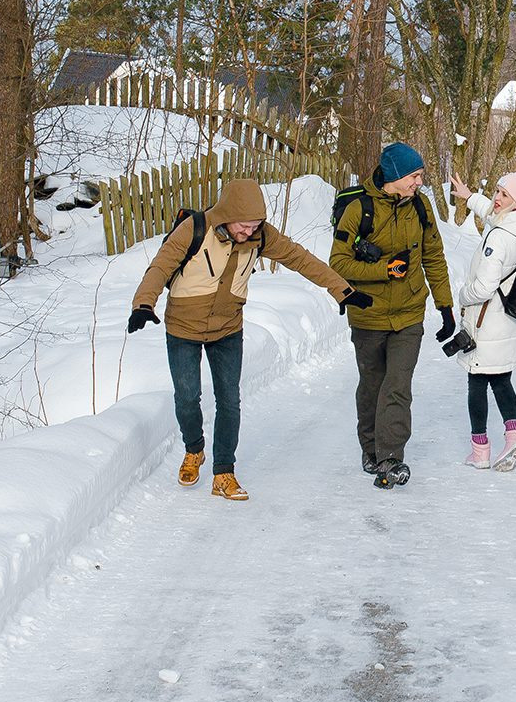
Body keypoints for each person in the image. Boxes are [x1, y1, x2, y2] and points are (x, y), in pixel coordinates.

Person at [129, 178, 371, 501]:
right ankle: (194, 448)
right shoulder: (193, 229)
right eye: (245, 226)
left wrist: (342, 289)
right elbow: (160, 266)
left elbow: (300, 259)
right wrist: (144, 303)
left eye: (256, 225)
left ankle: (224, 472)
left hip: (228, 328)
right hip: (183, 327)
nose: (250, 232)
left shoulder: (260, 236)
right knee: (187, 396)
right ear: (227, 214)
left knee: (229, 400)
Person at [331, 141, 454, 489]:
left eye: (420, 176)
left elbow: (434, 255)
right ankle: (369, 449)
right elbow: (338, 262)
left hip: (409, 314)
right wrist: (385, 268)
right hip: (368, 315)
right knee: (372, 385)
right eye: (414, 176)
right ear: (396, 175)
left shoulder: (421, 207)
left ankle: (390, 458)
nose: (419, 183)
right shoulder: (359, 208)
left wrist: (444, 306)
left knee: (397, 386)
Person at [446, 169, 516, 470]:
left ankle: (480, 451)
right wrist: (469, 197)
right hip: (511, 321)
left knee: (476, 383)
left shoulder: (500, 238)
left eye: (504, 195)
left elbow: (483, 287)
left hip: (487, 322)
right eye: (497, 192)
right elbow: (492, 213)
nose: (497, 199)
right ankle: (514, 437)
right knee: (501, 380)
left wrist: (461, 296)